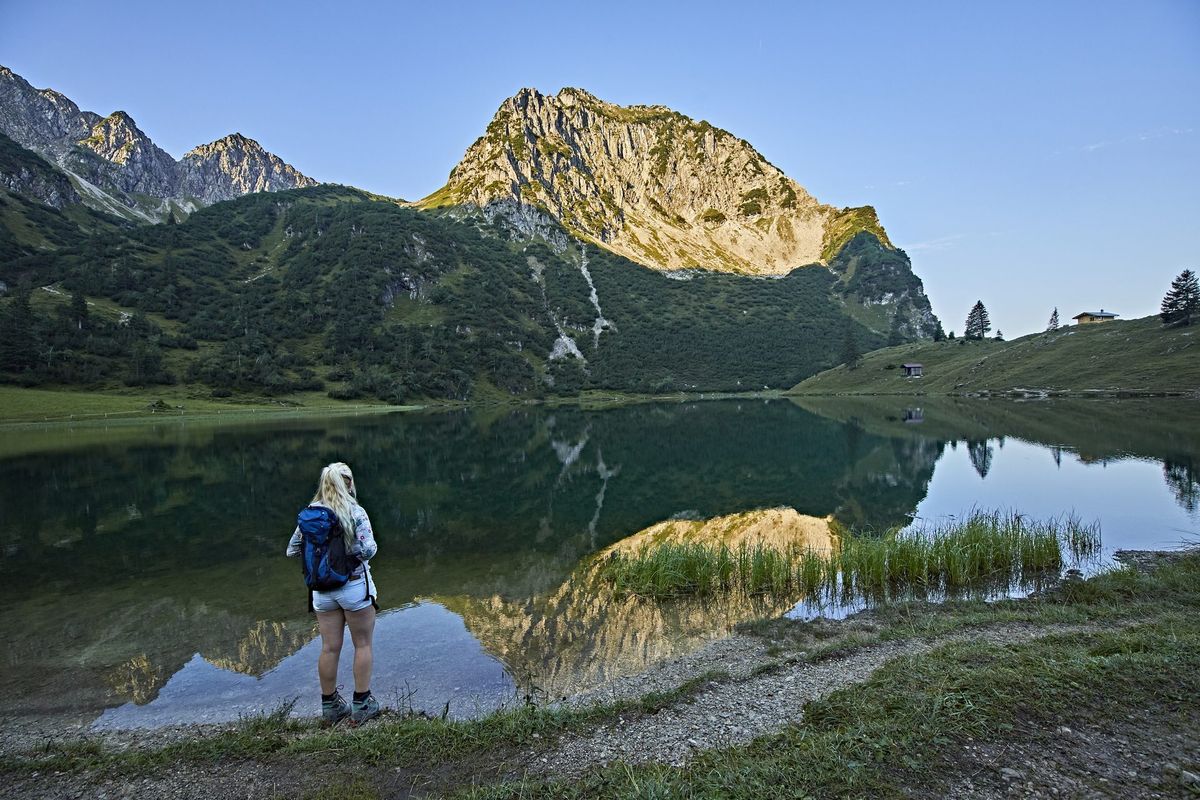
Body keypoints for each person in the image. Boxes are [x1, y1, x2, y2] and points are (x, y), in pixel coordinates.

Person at [287, 462, 381, 726]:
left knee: (329, 648)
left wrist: (323, 560)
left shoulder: (310, 514)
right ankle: (362, 704)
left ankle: (330, 707)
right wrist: (347, 553)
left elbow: (292, 550)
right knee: (362, 644)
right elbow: (369, 549)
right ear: (349, 483)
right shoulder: (355, 511)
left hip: (321, 593)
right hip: (352, 587)